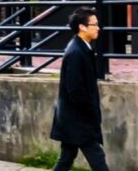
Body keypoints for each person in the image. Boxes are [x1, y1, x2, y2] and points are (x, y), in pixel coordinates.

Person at [49, 9, 109, 171]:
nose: (98, 28)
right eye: (94, 24)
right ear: (82, 27)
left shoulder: (82, 48)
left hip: (73, 117)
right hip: (79, 118)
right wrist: (90, 110)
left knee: (67, 157)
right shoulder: (76, 52)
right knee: (97, 157)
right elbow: (75, 89)